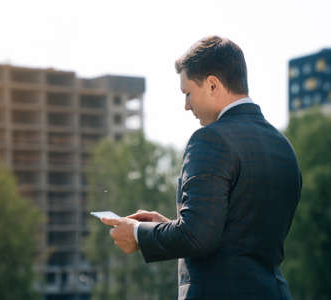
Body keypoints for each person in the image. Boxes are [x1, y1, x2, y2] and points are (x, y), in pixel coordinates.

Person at [101, 36, 302, 300]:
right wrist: (168, 226)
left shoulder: (211, 139)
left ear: (212, 84)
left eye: (187, 93)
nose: (186, 106)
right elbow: (231, 234)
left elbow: (197, 238)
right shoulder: (283, 146)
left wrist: (138, 233)